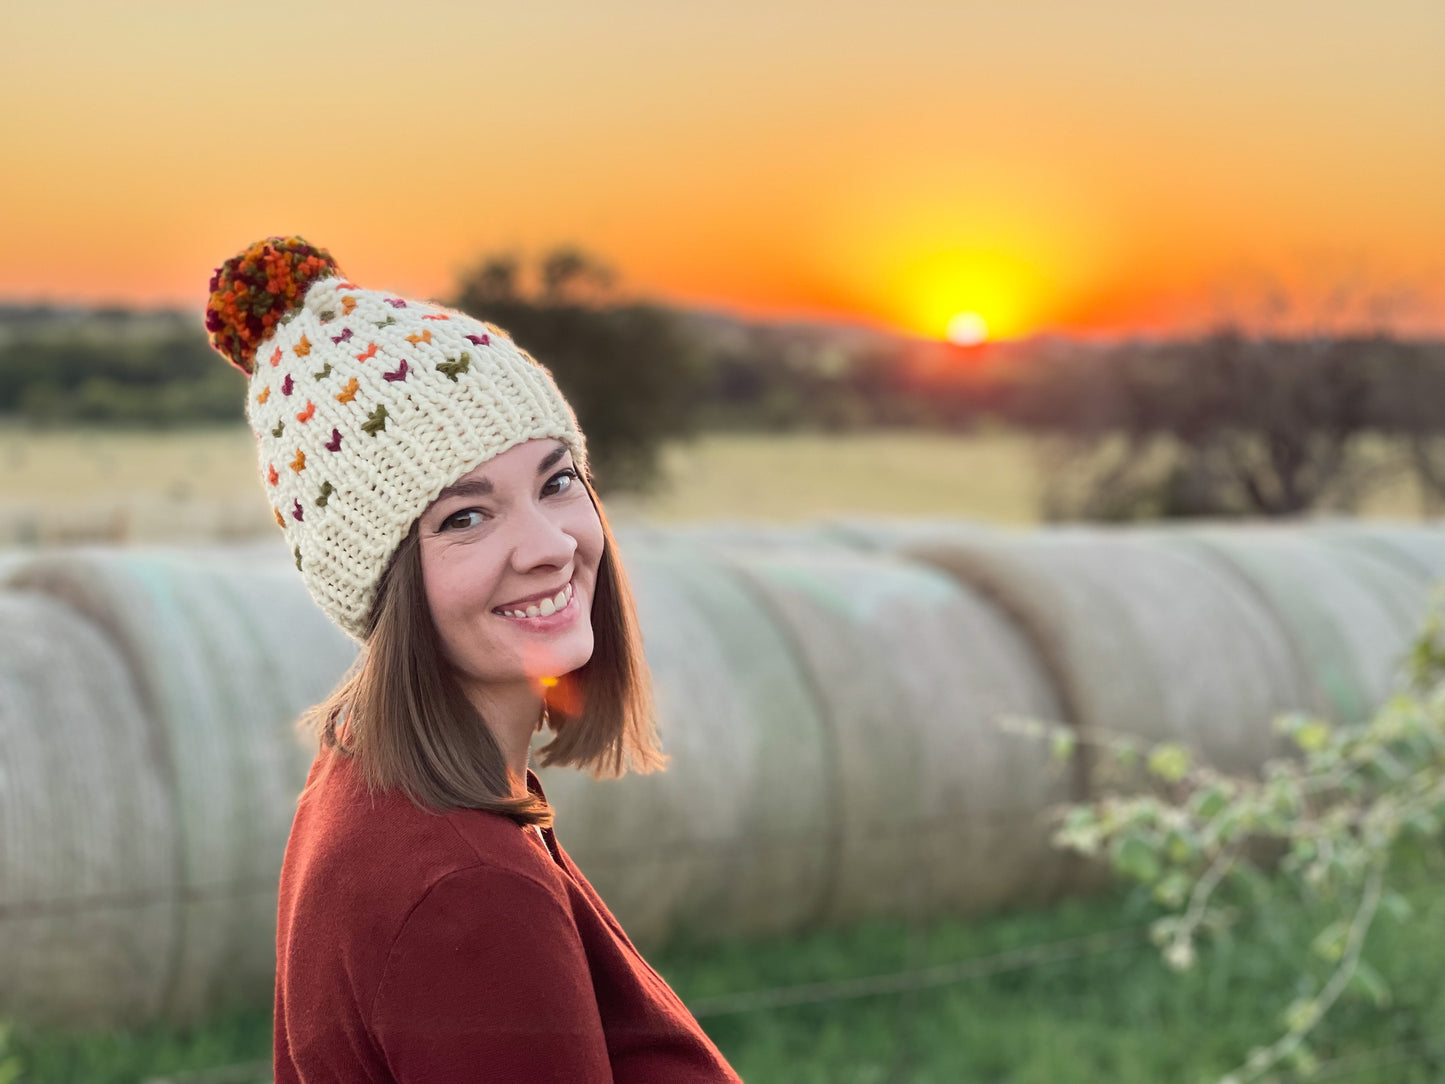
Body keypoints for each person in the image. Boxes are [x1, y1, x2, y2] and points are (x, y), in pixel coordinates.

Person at [205, 236, 742, 1083]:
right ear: (383, 584)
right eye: (464, 518)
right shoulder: (464, 893)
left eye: (556, 481)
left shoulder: (378, 775)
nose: (548, 545)